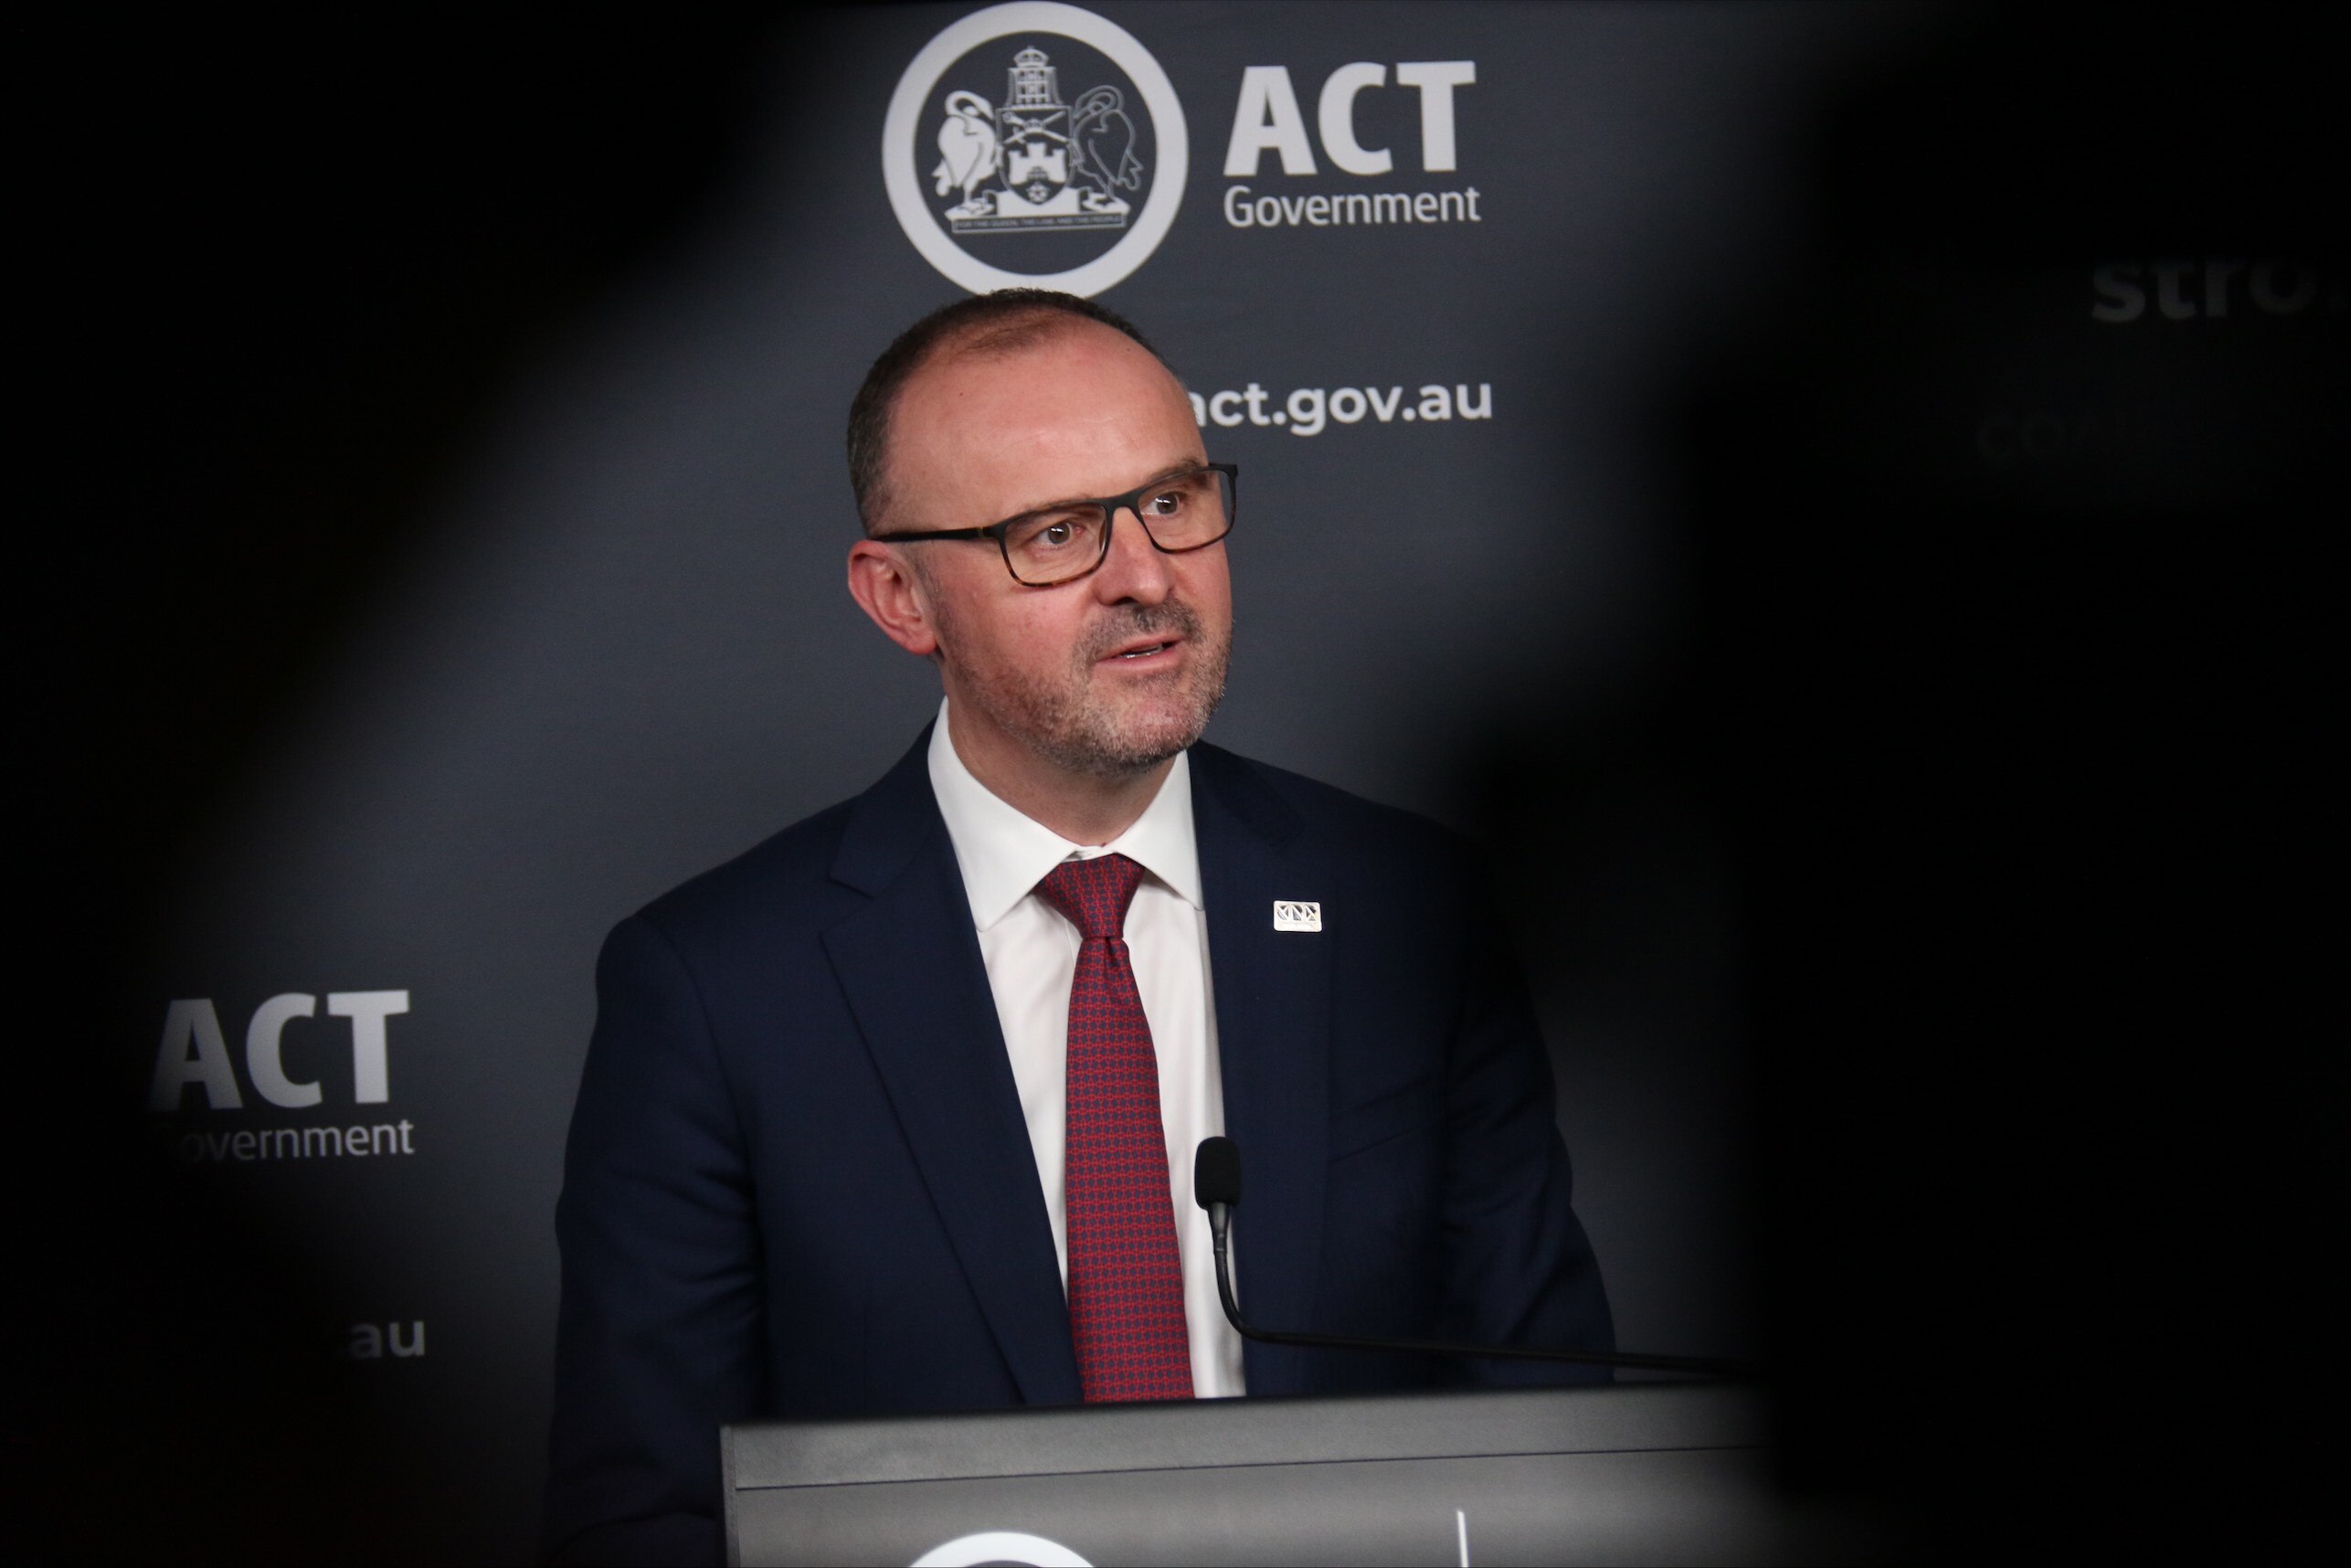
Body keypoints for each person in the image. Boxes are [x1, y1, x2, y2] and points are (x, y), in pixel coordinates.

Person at [542, 290, 1613, 1565]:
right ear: (899, 597)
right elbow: (643, 1512)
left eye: (1169, 502)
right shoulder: (717, 987)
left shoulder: (1412, 906)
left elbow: (1549, 1424)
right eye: (1053, 534)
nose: (1145, 578)